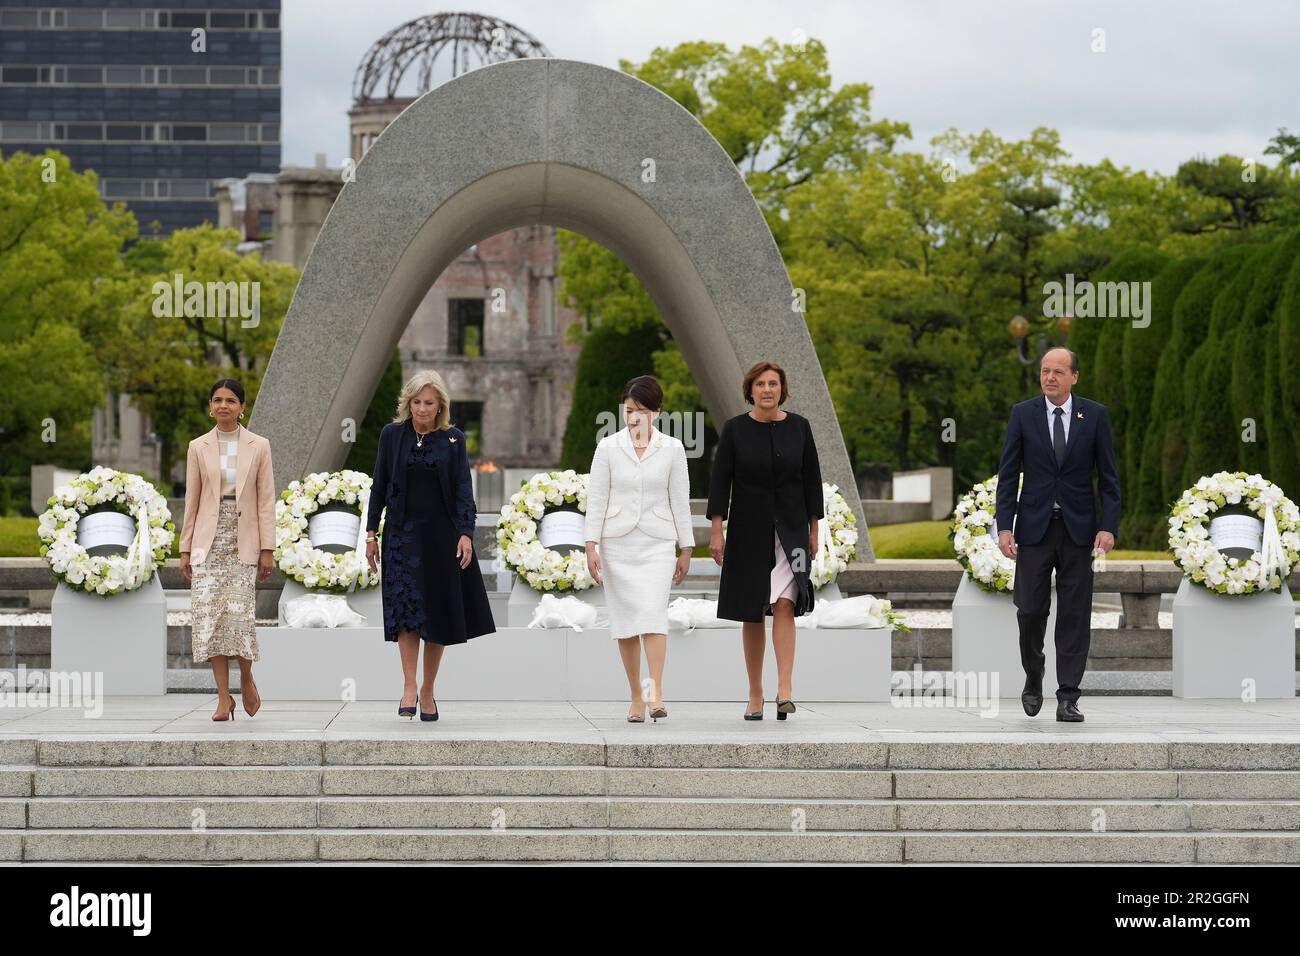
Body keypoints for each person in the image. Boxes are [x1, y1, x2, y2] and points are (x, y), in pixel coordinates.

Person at [995, 346, 1120, 722]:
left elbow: (1109, 478)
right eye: (1045, 371)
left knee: (1074, 614)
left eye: (1058, 372)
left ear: (1074, 377)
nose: (1050, 377)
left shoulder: (1094, 416)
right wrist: (1004, 526)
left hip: (1078, 530)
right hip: (1033, 529)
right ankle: (1034, 675)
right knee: (1030, 610)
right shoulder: (1023, 414)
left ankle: (1068, 695)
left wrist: (1108, 526)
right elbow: (1008, 474)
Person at [365, 370, 495, 721]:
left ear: (440, 406)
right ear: (408, 403)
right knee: (406, 612)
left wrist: (466, 532)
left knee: (436, 614)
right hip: (401, 536)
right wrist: (371, 534)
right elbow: (379, 485)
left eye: (429, 403)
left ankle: (428, 689)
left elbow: (463, 490)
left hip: (441, 537)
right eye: (417, 402)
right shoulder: (392, 436)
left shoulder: (453, 439)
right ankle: (408, 686)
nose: (422, 409)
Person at [706, 361, 822, 721]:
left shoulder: (800, 428)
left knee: (786, 604)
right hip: (747, 532)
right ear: (750, 390)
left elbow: (812, 482)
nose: (767, 389)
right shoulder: (735, 430)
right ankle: (755, 693)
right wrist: (716, 530)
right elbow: (719, 483)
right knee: (753, 611)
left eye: (773, 383)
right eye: (761, 384)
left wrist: (814, 531)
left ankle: (784, 689)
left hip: (792, 534)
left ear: (782, 389)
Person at [585, 376, 694, 723]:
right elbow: (597, 499)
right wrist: (591, 546)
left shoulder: (673, 449)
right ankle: (636, 695)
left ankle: (655, 692)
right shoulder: (608, 447)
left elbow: (680, 501)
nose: (634, 418)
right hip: (617, 544)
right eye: (629, 410)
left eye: (642, 411)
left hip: (658, 543)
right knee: (626, 624)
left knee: (652, 617)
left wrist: (687, 548)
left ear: (657, 412)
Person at [179, 378, 276, 721]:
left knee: (238, 619)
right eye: (217, 400)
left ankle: (247, 680)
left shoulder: (259, 445)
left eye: (231, 400)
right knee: (210, 621)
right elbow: (192, 500)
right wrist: (185, 549)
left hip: (243, 541)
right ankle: (222, 698)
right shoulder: (198, 446)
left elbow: (266, 500)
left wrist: (268, 548)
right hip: (208, 543)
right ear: (210, 406)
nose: (223, 405)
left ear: (242, 407)